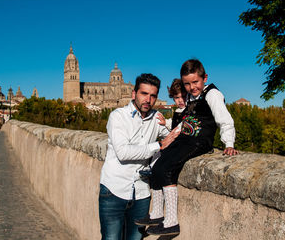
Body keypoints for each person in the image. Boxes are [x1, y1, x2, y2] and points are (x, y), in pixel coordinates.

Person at [135, 59, 238, 236]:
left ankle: (171, 222)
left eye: (195, 82)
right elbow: (185, 122)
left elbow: (225, 120)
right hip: (186, 139)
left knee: (167, 168)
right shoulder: (190, 96)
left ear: (204, 78)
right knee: (158, 164)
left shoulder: (212, 95)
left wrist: (228, 143)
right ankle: (157, 214)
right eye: (187, 84)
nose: (191, 87)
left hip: (200, 141)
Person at [99, 73, 180, 240]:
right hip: (114, 191)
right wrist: (158, 145)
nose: (148, 100)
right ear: (133, 93)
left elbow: (172, 137)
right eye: (144, 94)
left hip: (142, 195)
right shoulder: (118, 116)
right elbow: (123, 153)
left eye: (153, 96)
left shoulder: (157, 119)